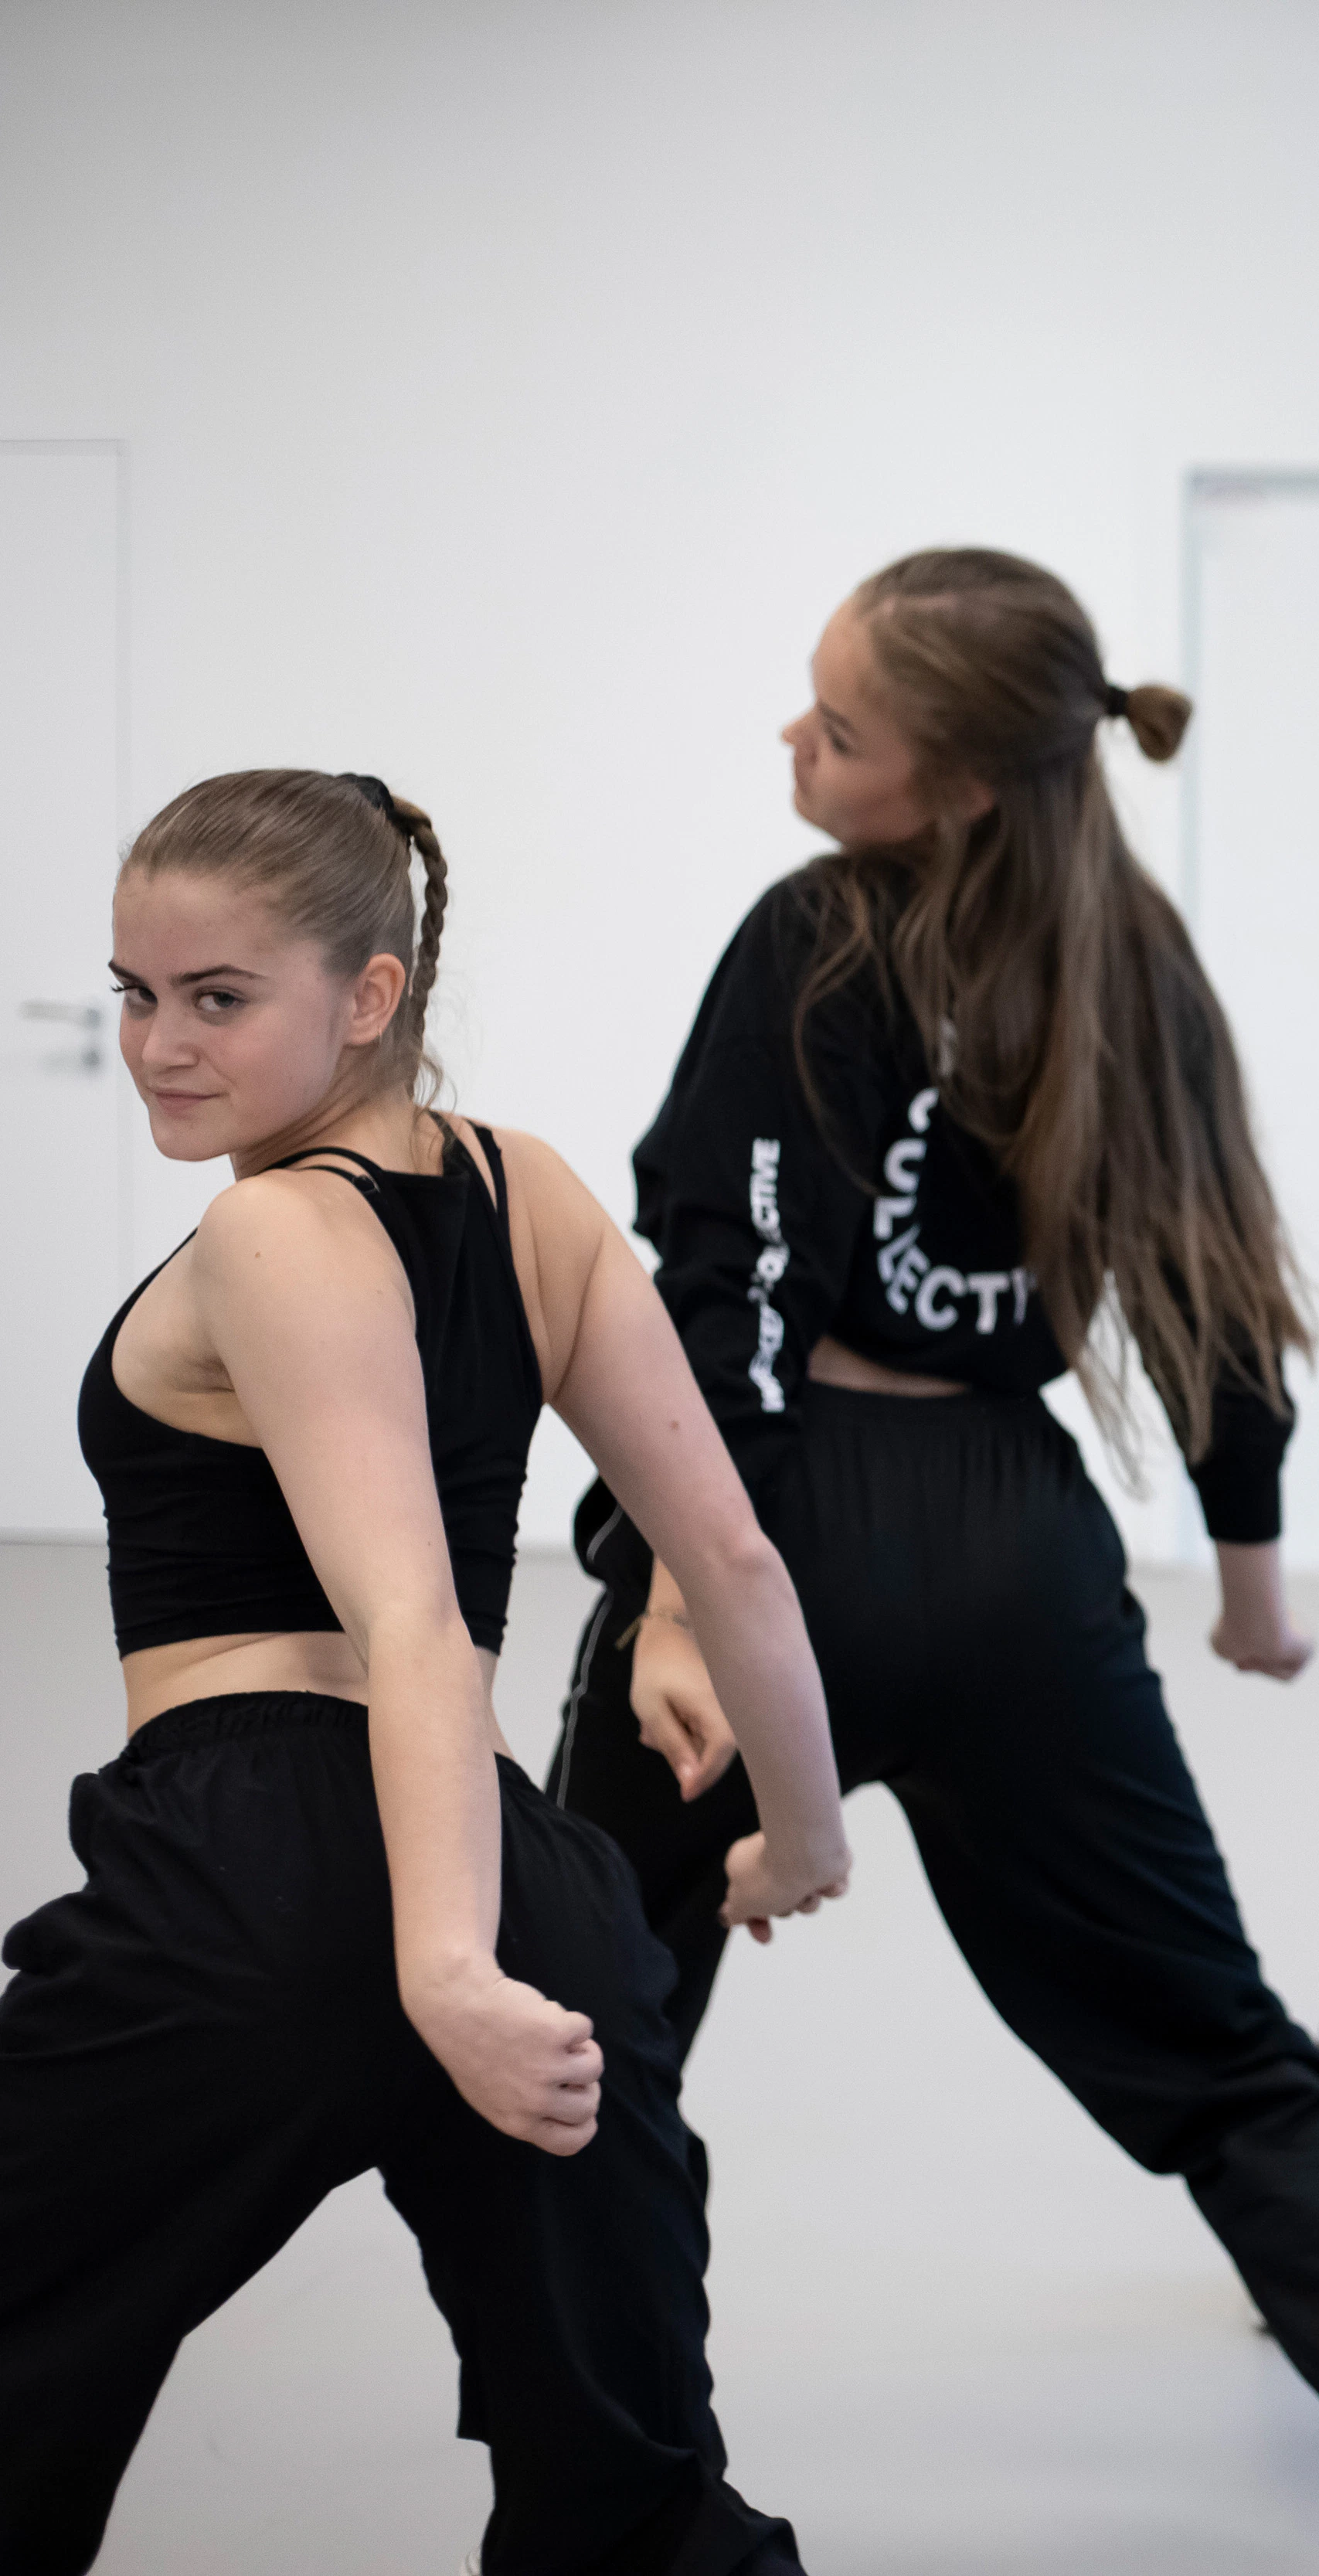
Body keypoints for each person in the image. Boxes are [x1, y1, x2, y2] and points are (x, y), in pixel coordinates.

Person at [544, 550, 1319, 2477]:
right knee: (1227, 2059)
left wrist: (684, 1600)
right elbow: (1217, 1302)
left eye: (837, 725)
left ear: (950, 785)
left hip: (774, 1533)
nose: (794, 739)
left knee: (588, 2040)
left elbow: (727, 1292)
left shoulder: (814, 938)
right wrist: (1254, 1592)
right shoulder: (1141, 960)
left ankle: (626, 2495)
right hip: (1020, 1554)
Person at [0, 769, 850, 2572]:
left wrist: (439, 1970)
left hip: (267, 1876)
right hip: (528, 1884)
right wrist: (803, 1835)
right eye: (136, 992)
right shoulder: (529, 1193)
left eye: (218, 997)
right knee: (629, 2485)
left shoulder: (268, 1226)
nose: (159, 1042)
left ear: (369, 995)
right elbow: (739, 1563)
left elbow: (406, 1623)